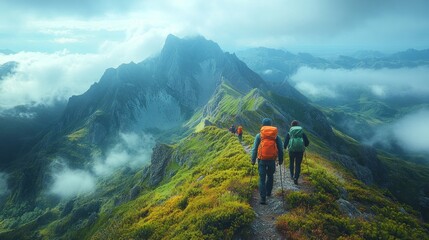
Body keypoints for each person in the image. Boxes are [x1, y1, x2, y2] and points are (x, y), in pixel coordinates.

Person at [251, 118, 283, 205]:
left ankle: (263, 198)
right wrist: (280, 160)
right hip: (272, 160)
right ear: (271, 125)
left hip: (262, 160)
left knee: (262, 178)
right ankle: (268, 192)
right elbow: (280, 149)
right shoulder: (276, 136)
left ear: (262, 125)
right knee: (270, 176)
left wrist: (253, 159)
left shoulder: (259, 135)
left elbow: (254, 148)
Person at [284, 120, 310, 185]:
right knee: (298, 164)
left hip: (291, 150)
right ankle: (296, 178)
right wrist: (304, 145)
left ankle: (291, 175)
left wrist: (285, 147)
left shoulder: (289, 133)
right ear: (298, 125)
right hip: (300, 151)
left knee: (291, 162)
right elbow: (307, 142)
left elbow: (285, 142)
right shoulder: (302, 133)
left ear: (291, 126)